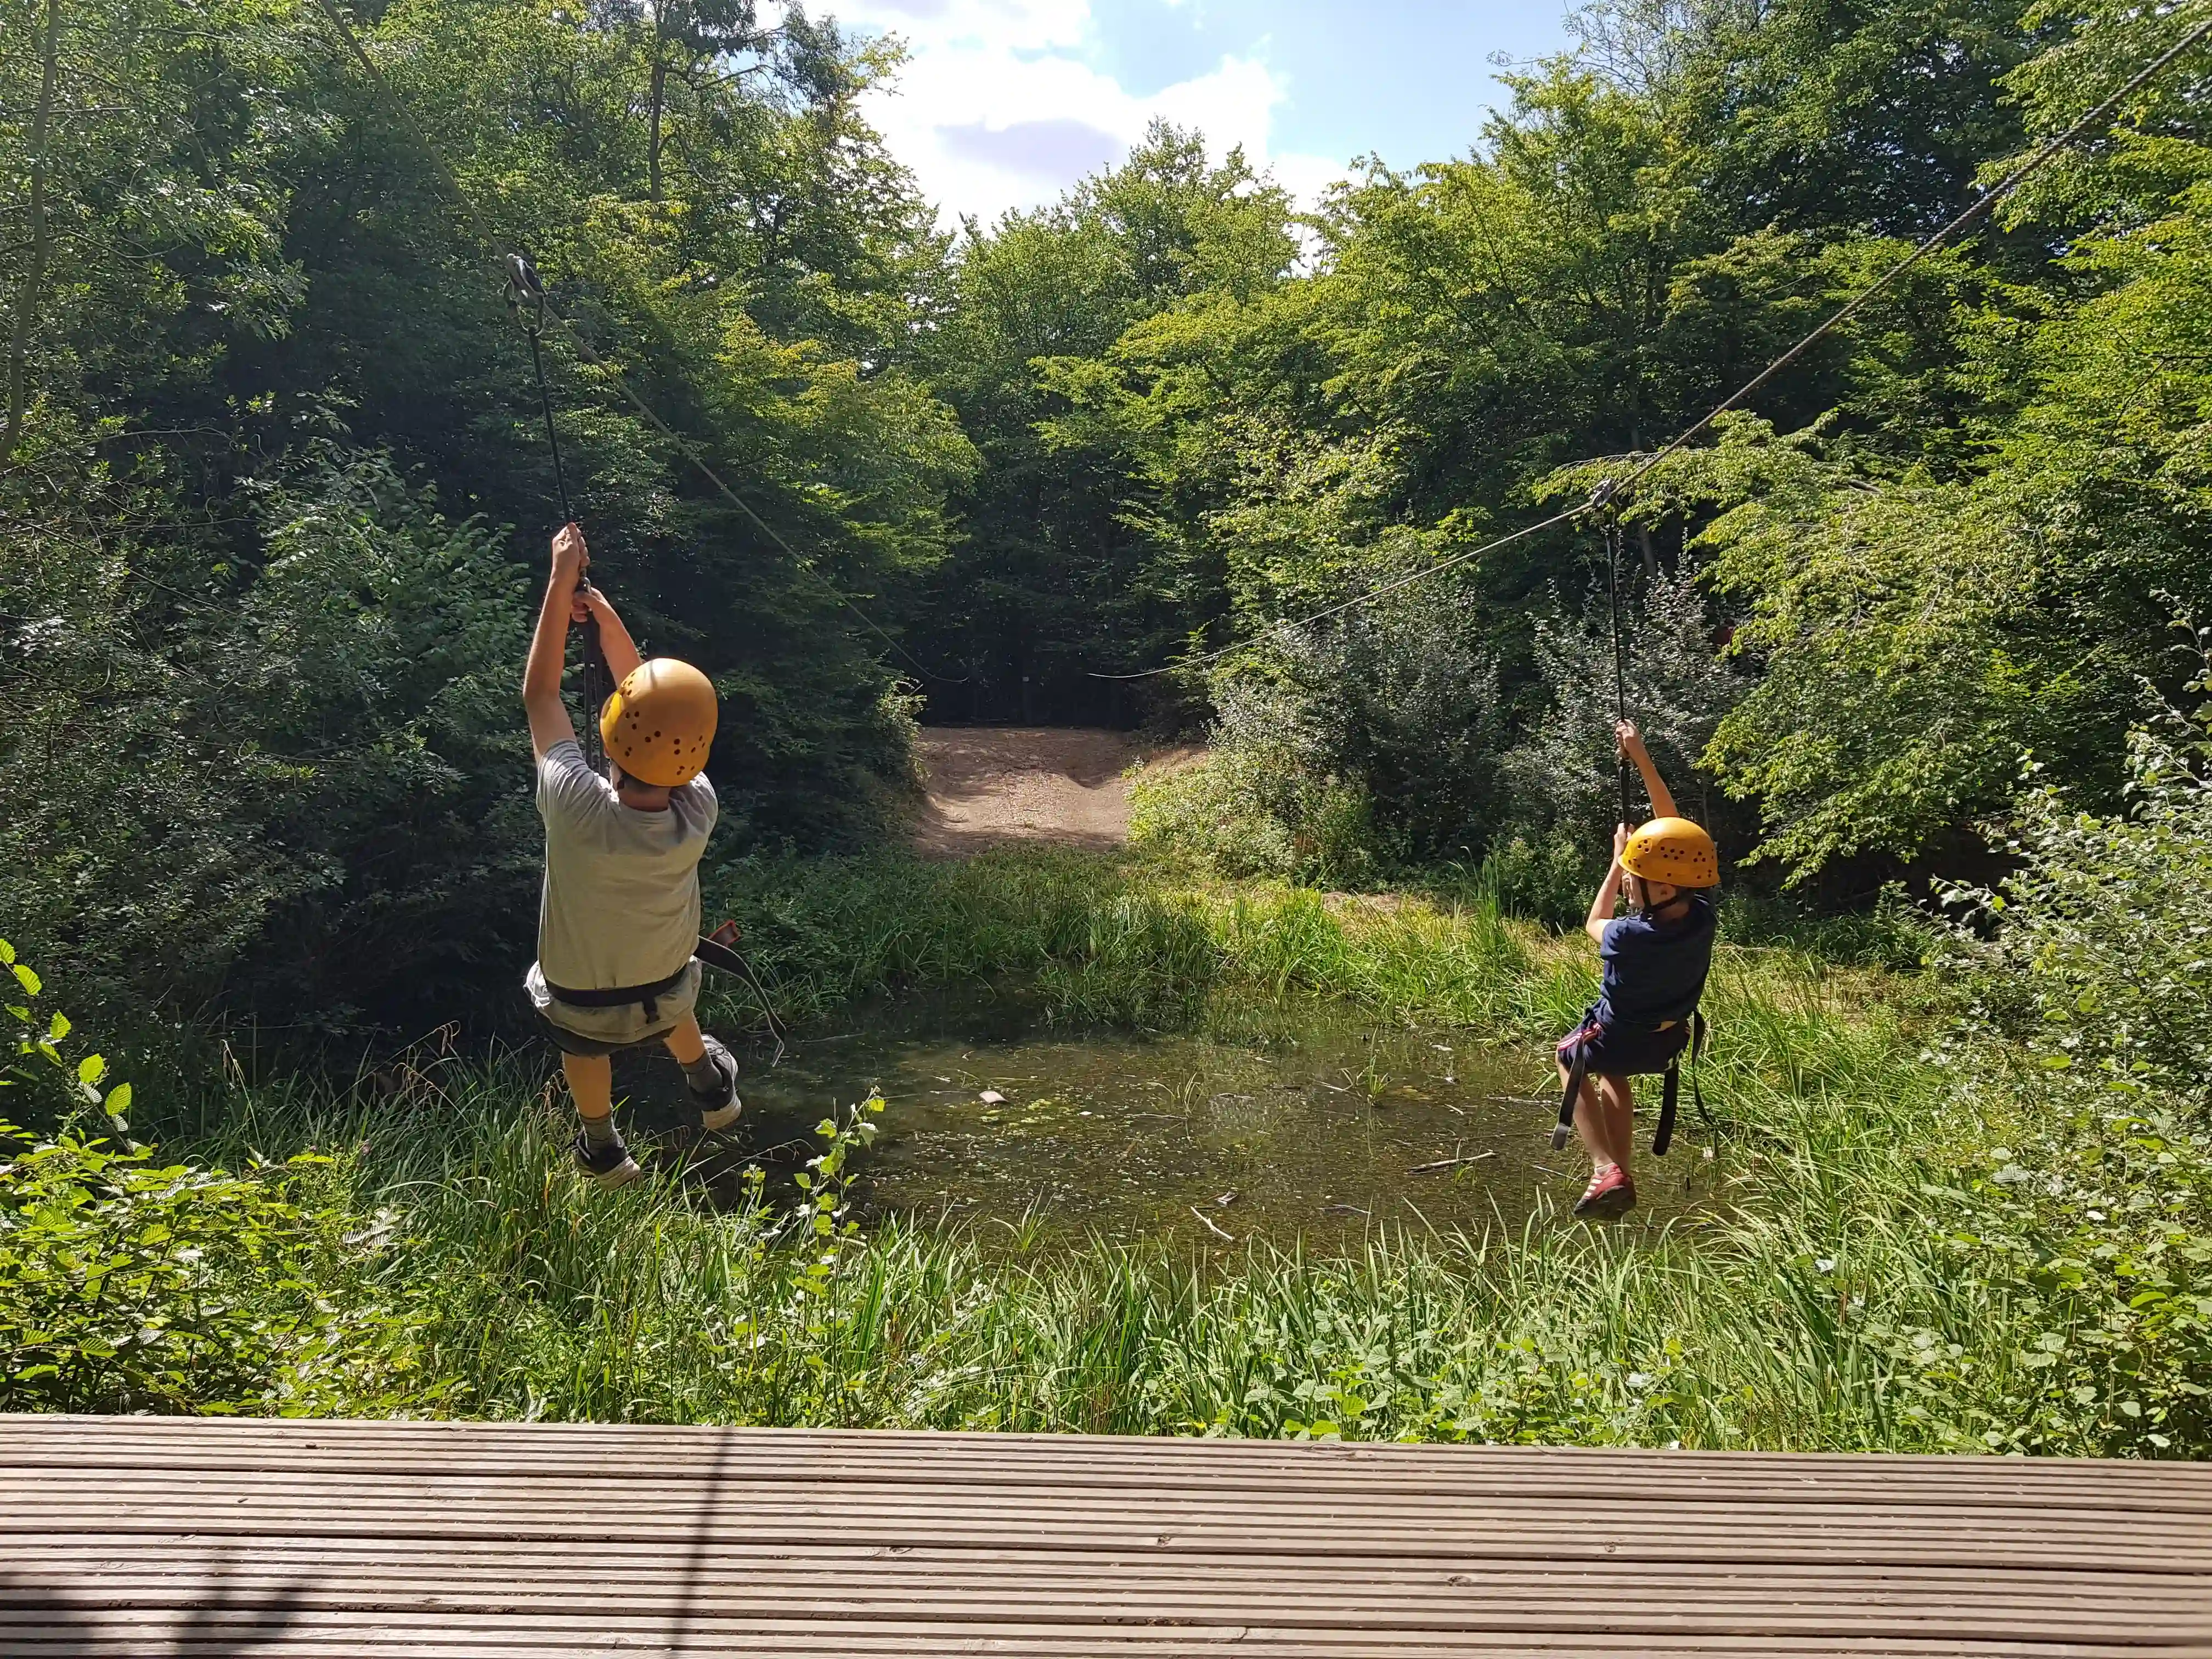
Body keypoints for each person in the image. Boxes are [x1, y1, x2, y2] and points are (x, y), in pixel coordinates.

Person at [520, 522, 741, 1190]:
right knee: (669, 990)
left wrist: (561, 584)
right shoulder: (698, 808)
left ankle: (601, 1146)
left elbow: (542, 695)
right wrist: (602, 611)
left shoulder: (574, 805)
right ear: (696, 752)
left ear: (614, 733)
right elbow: (646, 701)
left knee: (582, 1036)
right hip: (664, 986)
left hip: (578, 1001)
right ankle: (706, 1080)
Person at [1555, 720, 1720, 1219]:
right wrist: (1641, 757)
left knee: (1570, 1057)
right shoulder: (1702, 916)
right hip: (1665, 1042)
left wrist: (1613, 863)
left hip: (1619, 1035)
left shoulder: (1631, 935)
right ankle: (1620, 1174)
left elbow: (1594, 922)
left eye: (1636, 876)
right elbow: (1675, 832)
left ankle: (1605, 1163)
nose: (1630, 881)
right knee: (1613, 1078)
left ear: (1663, 887)